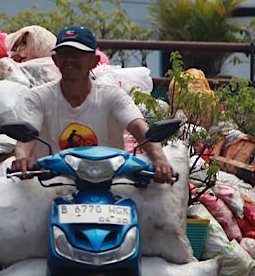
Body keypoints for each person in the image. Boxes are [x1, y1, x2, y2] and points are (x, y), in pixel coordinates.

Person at [13, 24, 175, 183]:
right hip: (52, 186)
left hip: (111, 184)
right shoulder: (38, 97)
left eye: (78, 54)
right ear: (55, 60)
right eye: (65, 54)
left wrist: (160, 160)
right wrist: (23, 159)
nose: (70, 59)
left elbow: (139, 128)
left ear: (94, 61)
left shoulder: (113, 96)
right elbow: (27, 138)